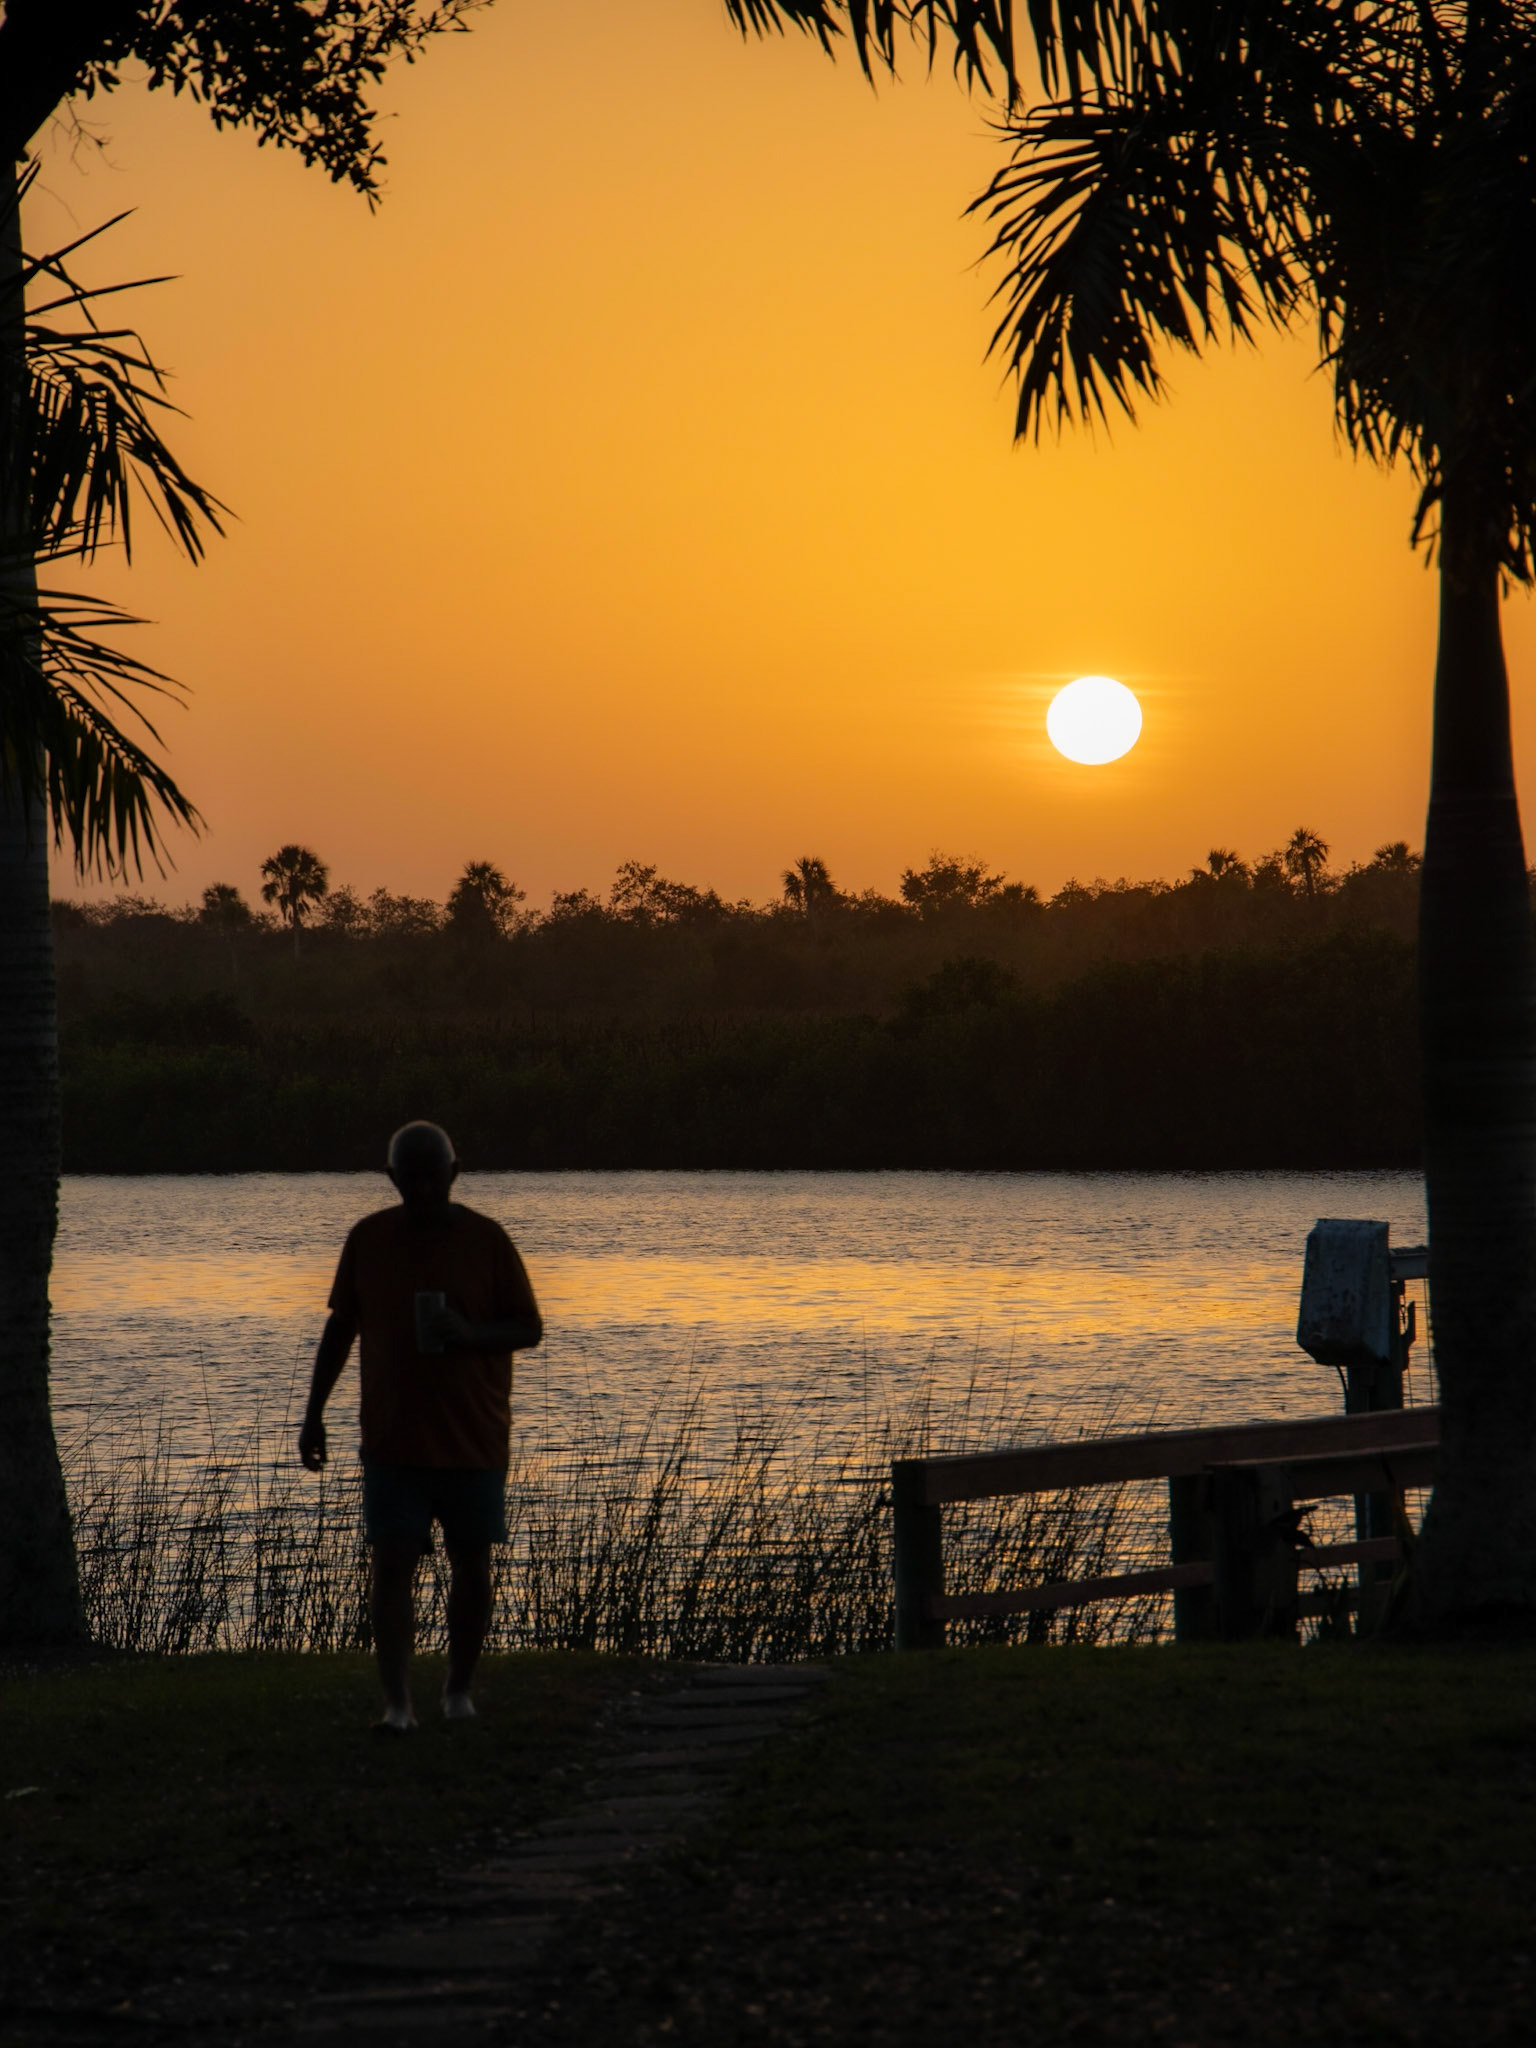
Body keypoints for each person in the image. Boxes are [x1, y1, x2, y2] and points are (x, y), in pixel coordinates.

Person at [298, 1121, 542, 1731]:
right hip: (392, 1439)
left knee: (472, 1564)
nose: (425, 1187)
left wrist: (469, 1336)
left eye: (435, 1174)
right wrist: (313, 1414)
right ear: (392, 1179)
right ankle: (398, 1704)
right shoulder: (369, 1239)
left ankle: (458, 1692)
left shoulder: (487, 1241)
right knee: (391, 1568)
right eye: (412, 1177)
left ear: (455, 1173)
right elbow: (340, 1330)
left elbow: (528, 1328)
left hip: (473, 1438)